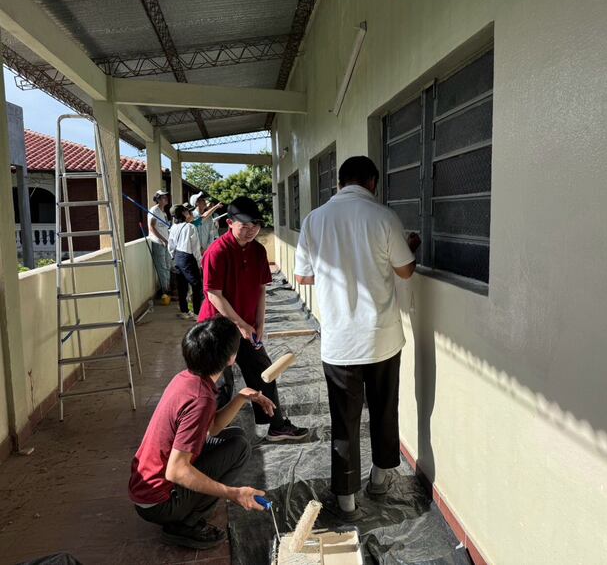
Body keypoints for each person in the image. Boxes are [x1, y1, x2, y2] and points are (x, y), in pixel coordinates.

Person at [294, 155, 421, 517]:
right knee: (384, 408)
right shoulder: (383, 217)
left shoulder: (314, 220)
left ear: (339, 184)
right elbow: (406, 271)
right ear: (373, 184)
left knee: (344, 420)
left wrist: (338, 267)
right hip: (382, 338)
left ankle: (347, 499)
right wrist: (408, 246)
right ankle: (380, 480)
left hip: (339, 344)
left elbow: (303, 277)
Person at [129, 317, 275, 549]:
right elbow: (177, 470)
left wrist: (241, 397)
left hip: (145, 490)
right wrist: (233, 493)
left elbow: (211, 428)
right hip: (159, 502)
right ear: (231, 359)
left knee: (235, 438)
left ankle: (184, 513)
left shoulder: (188, 379)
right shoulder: (201, 399)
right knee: (238, 449)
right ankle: (185, 524)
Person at [198, 196, 308, 442]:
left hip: (247, 327)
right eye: (244, 226)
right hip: (216, 329)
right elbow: (214, 295)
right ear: (229, 223)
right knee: (219, 385)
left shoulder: (258, 250)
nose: (250, 231)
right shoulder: (217, 252)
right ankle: (204, 435)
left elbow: (260, 289)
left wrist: (259, 323)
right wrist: (241, 324)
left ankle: (276, 425)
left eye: (255, 225)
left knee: (263, 372)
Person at [168, 204, 203, 320]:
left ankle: (184, 311)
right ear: (183, 214)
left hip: (177, 256)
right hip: (188, 257)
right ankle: (197, 313)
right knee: (196, 285)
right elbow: (195, 247)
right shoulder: (190, 227)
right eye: (187, 211)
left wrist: (174, 256)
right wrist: (199, 262)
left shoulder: (173, 227)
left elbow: (170, 246)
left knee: (182, 285)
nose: (189, 213)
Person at [147, 190, 173, 297]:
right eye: (163, 197)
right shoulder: (154, 210)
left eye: (166, 197)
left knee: (167, 266)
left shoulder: (163, 212)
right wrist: (162, 239)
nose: (166, 199)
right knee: (162, 267)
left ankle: (168, 288)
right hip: (158, 243)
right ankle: (165, 291)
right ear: (157, 199)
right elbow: (152, 227)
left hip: (166, 243)